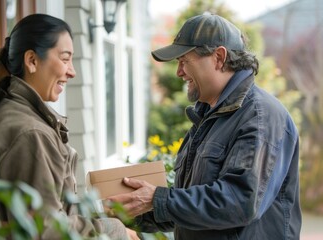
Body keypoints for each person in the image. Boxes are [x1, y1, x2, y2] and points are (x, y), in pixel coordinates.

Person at [108, 12, 301, 240]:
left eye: (184, 61)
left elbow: (240, 202)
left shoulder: (260, 117)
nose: (179, 72)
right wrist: (124, 212)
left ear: (219, 57)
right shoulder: (210, 117)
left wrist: (157, 198)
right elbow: (189, 208)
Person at [0, 14, 137, 240]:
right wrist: (116, 231)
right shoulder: (30, 132)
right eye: (65, 59)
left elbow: (44, 211)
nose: (72, 71)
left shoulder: (14, 114)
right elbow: (44, 229)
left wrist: (102, 211)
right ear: (32, 61)